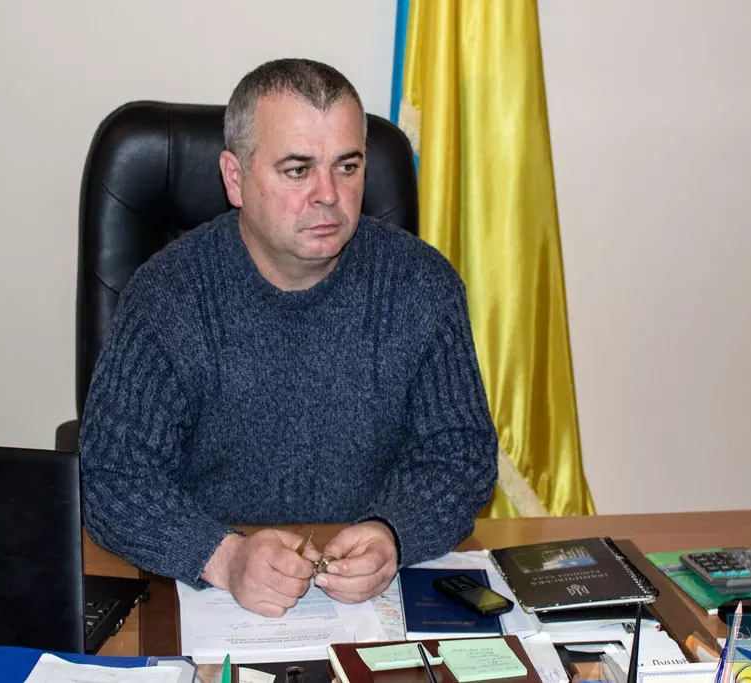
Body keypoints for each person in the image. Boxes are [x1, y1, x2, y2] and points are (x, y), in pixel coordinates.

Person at [80, 58, 498, 618]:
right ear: (235, 178)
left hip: (371, 603)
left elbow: (461, 454)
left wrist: (394, 532)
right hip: (212, 597)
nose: (329, 194)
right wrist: (222, 557)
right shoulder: (168, 296)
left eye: (347, 166)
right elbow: (114, 475)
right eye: (298, 170)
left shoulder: (422, 286)